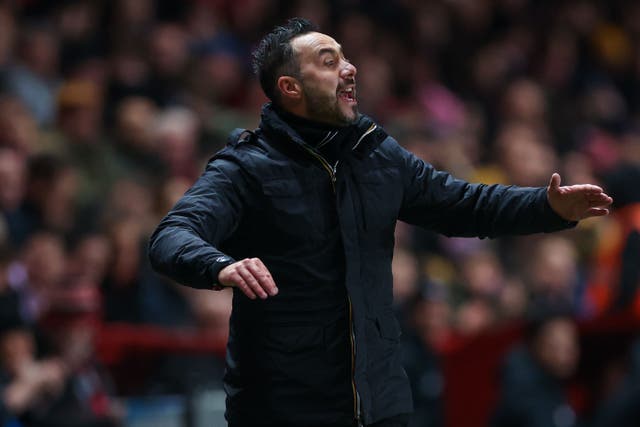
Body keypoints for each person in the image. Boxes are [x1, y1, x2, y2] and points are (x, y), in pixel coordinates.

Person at [148, 18, 612, 427]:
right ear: (290, 87)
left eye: (346, 59)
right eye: (329, 61)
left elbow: (464, 204)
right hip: (283, 410)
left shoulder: (376, 153)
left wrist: (548, 208)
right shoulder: (245, 168)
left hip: (381, 406)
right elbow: (171, 236)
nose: (349, 69)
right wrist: (217, 265)